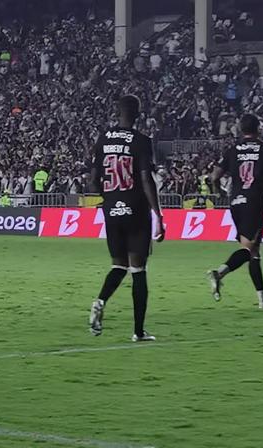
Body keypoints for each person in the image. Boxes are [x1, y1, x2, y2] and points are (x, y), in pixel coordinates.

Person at [88, 95, 165, 342]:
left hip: (111, 211)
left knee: (118, 265)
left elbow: (92, 180)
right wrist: (158, 215)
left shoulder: (103, 139)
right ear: (138, 115)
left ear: (117, 112)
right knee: (138, 270)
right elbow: (145, 180)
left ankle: (100, 301)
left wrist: (108, 198)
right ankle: (138, 331)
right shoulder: (142, 141)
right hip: (135, 210)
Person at [207, 114, 263, 309]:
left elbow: (214, 177)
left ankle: (262, 298)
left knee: (254, 252)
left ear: (241, 129)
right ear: (258, 129)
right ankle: (220, 273)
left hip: (236, 203)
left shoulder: (232, 151)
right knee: (248, 250)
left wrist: (220, 192)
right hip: (255, 202)